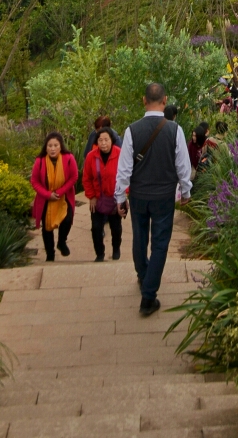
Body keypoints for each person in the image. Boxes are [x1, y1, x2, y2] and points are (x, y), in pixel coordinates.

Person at [114, 82, 192, 316]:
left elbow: (124, 169)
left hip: (138, 196)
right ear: (165, 100)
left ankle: (143, 275)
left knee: (139, 237)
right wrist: (186, 192)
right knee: (160, 243)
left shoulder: (131, 130)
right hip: (163, 198)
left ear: (143, 100)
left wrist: (120, 197)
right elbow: (183, 165)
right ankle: (149, 296)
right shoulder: (174, 130)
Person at [30, 132, 79, 262]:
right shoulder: (40, 161)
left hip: (63, 196)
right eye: (50, 145)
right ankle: (50, 255)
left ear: (60, 146)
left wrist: (60, 192)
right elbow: (34, 182)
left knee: (67, 220)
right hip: (45, 198)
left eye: (55, 145)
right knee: (47, 228)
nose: (52, 148)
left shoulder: (68, 158)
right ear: (46, 147)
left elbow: (74, 177)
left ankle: (62, 242)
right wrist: (47, 194)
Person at [83, 128, 122, 262]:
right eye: (100, 140)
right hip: (98, 199)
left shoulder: (120, 154)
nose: (103, 143)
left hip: (115, 198)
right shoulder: (91, 156)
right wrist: (91, 196)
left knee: (116, 227)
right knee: (96, 228)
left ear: (112, 140)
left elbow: (127, 176)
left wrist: (123, 196)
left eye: (106, 140)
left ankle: (116, 248)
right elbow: (86, 178)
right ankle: (100, 253)